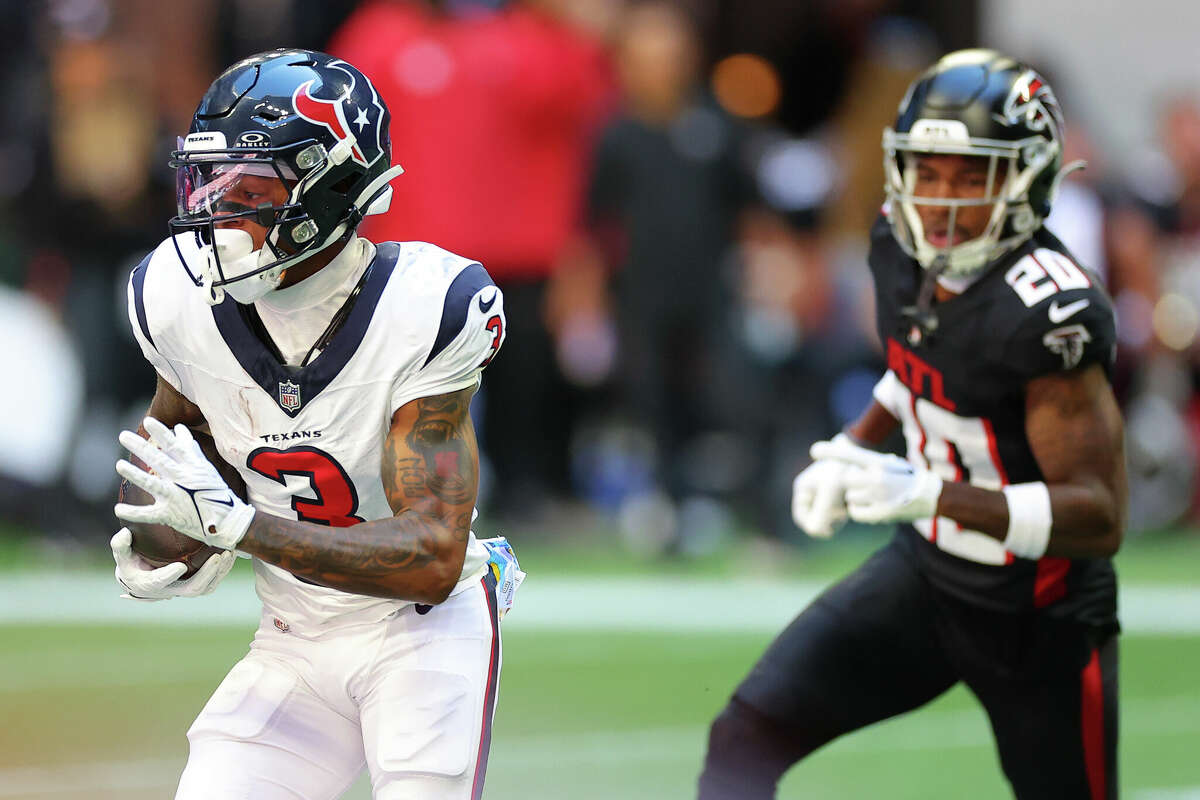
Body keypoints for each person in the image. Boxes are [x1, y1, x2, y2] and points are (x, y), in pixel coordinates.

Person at [699, 49, 1124, 800]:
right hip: (926, 576)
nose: (941, 199)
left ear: (1029, 177)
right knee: (747, 733)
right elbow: (917, 365)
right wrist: (850, 448)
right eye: (926, 171)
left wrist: (930, 494)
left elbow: (1097, 516)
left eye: (972, 175)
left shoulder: (1046, 311)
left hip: (1040, 614)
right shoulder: (897, 242)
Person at [109, 49, 523, 800]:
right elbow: (182, 448)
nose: (215, 212)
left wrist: (239, 530)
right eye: (210, 181)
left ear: (332, 188)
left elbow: (430, 554)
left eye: (251, 186)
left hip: (421, 632)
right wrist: (162, 532)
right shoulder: (173, 296)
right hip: (293, 638)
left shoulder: (427, 307)